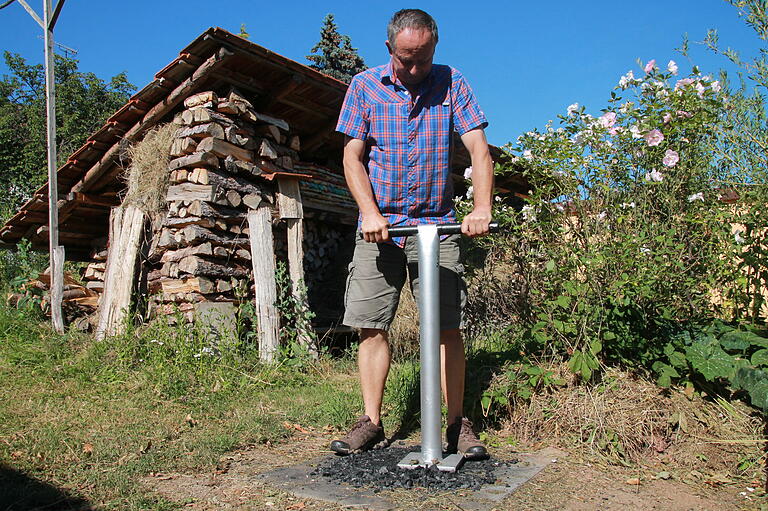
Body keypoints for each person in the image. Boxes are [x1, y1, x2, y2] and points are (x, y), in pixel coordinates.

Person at [330, 8, 494, 459]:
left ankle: (457, 424)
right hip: (380, 228)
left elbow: (478, 149)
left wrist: (481, 206)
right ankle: (372, 421)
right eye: (406, 59)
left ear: (434, 49)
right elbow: (352, 157)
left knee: (446, 328)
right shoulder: (364, 86)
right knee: (370, 324)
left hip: (436, 224)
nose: (415, 69)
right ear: (389, 50)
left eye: (423, 58)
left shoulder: (452, 82)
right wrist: (369, 213)